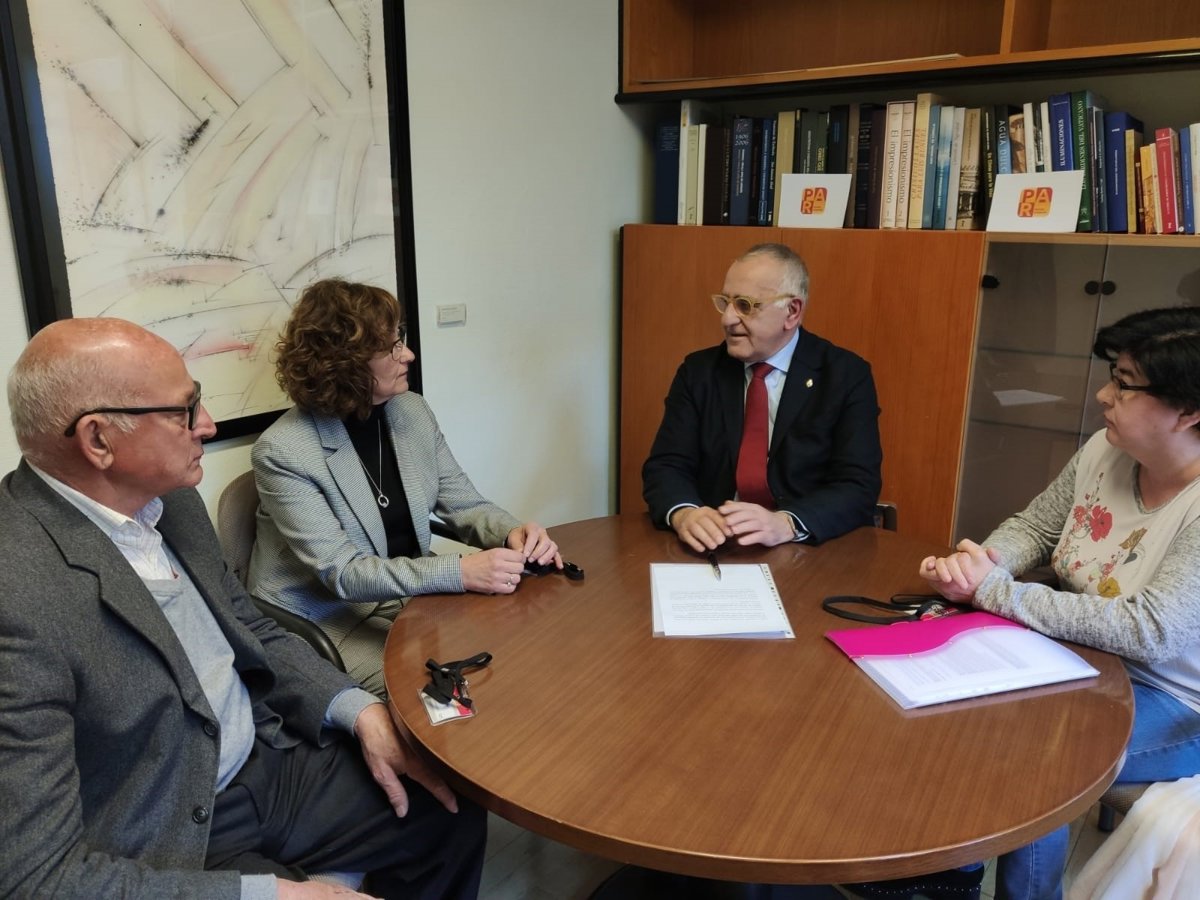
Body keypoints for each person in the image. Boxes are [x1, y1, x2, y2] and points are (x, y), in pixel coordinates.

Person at [0, 317, 486, 899]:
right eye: (185, 411)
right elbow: (35, 879)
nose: (206, 425)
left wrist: (361, 712)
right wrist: (276, 895)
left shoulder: (171, 502)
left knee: (450, 806)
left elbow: (251, 627)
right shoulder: (17, 593)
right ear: (99, 440)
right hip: (166, 824)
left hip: (266, 756)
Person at [919, 306, 1200, 900]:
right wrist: (981, 564)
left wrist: (994, 592)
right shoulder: (1106, 449)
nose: (1103, 396)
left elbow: (1151, 631)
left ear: (1189, 412)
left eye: (1124, 384)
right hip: (1079, 656)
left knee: (1038, 760)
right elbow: (1038, 527)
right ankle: (953, 874)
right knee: (950, 701)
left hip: (1176, 698)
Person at [249, 279, 559, 697]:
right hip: (329, 618)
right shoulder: (284, 451)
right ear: (344, 364)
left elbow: (463, 502)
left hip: (409, 598)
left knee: (513, 647)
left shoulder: (411, 411)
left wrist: (511, 533)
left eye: (402, 339)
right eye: (391, 348)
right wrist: (460, 571)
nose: (408, 354)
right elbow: (345, 574)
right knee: (439, 693)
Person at [642, 242, 882, 552]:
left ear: (792, 312)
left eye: (745, 305)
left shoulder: (845, 375)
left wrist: (786, 523)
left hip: (805, 549)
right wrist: (685, 513)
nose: (727, 319)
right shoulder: (698, 372)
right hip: (718, 547)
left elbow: (858, 485)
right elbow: (666, 465)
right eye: (725, 302)